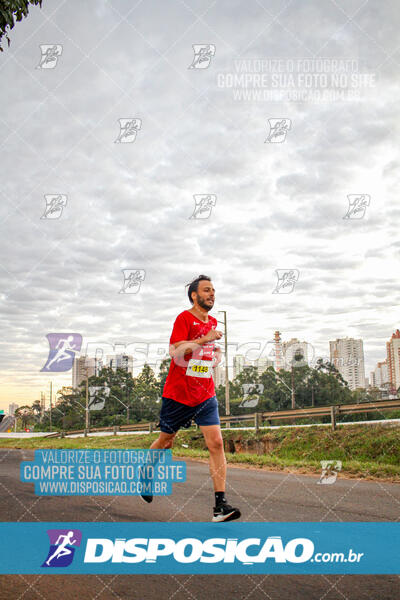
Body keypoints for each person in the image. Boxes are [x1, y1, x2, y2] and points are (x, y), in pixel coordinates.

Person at [141, 275, 241, 522]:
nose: (212, 294)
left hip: (205, 393)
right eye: (207, 290)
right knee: (166, 441)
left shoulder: (214, 321)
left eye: (214, 291)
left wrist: (216, 354)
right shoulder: (184, 319)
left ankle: (220, 506)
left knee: (216, 443)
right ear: (194, 295)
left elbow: (212, 350)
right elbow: (175, 352)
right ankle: (146, 472)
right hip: (179, 393)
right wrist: (202, 340)